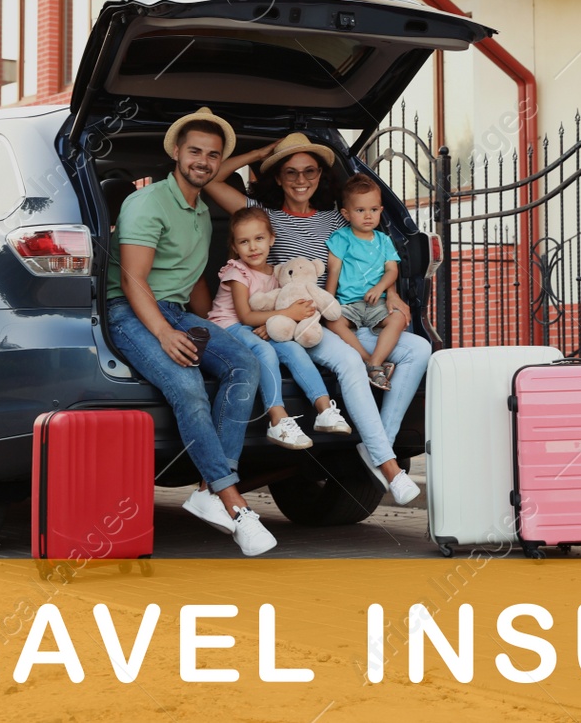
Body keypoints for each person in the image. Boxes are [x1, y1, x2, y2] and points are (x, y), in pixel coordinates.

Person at [205, 132, 425, 507]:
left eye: (309, 171)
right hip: (296, 325)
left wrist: (391, 293)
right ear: (277, 177)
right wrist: (262, 152)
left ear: (321, 175)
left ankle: (376, 448)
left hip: (339, 317)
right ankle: (388, 466)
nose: (301, 179)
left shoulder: (337, 220)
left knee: (418, 348)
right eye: (290, 171)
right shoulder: (264, 216)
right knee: (350, 363)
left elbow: (369, 259)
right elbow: (210, 179)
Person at [103, 107, 276, 556]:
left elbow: (193, 281)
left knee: (243, 362)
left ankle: (206, 489)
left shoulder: (200, 212)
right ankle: (234, 505)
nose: (203, 160)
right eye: (195, 150)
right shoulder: (147, 202)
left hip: (176, 310)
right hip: (131, 312)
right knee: (188, 384)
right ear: (176, 152)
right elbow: (132, 280)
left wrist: (226, 327)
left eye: (213, 155)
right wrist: (162, 332)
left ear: (220, 164)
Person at [207, 207, 354, 448]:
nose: (253, 247)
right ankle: (277, 419)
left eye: (259, 239)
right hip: (227, 328)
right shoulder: (237, 272)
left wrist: (275, 320)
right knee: (264, 351)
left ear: (272, 239)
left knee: (294, 350)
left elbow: (270, 310)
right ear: (234, 247)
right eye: (244, 242)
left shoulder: (277, 273)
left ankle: (324, 409)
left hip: (256, 325)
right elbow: (244, 315)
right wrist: (284, 315)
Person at [324, 175, 408, 389]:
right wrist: (328, 304)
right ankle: (367, 360)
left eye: (373, 210)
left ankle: (376, 362)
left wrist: (380, 288)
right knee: (333, 322)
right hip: (349, 305)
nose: (368, 216)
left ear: (380, 210)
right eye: (360, 210)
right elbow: (333, 272)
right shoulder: (341, 238)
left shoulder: (384, 241)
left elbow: (392, 270)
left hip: (376, 305)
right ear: (346, 213)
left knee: (398, 319)